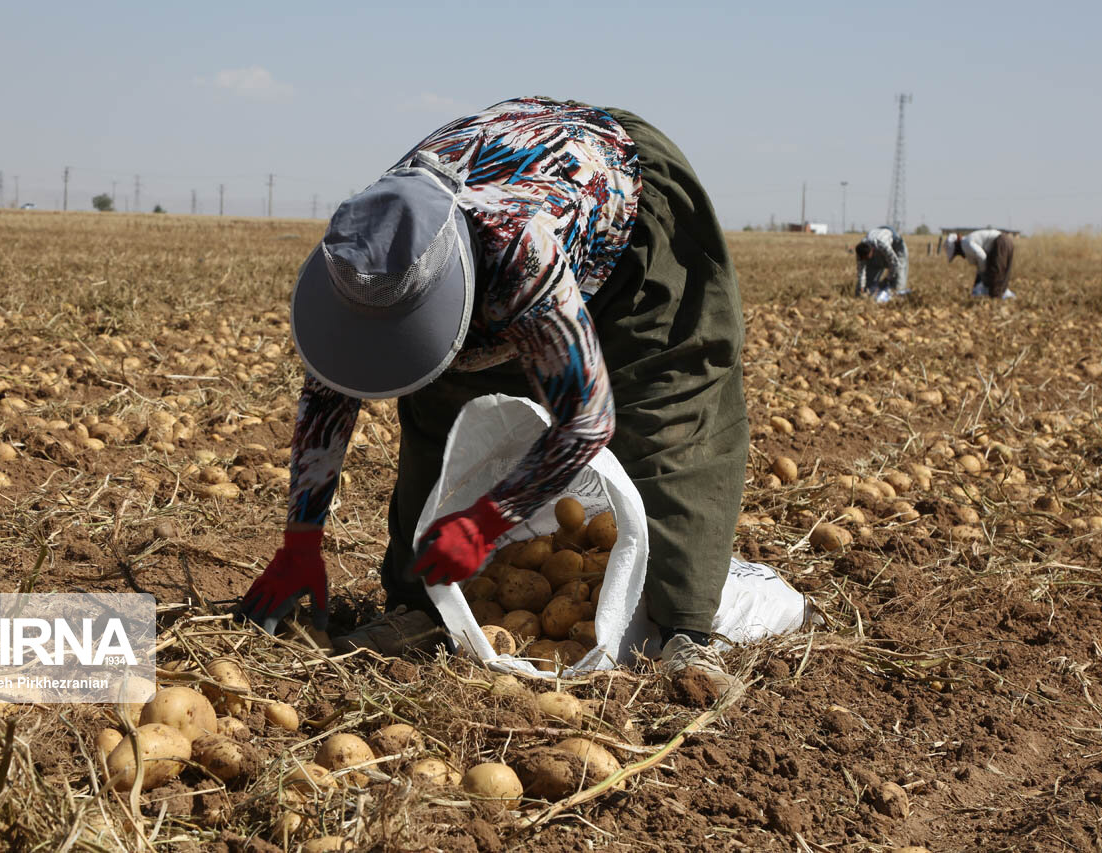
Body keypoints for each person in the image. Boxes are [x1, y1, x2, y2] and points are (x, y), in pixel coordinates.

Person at [236, 97, 752, 697]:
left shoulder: (517, 247)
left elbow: (587, 420)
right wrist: (301, 539)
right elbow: (329, 398)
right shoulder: (357, 260)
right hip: (502, 239)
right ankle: (424, 606)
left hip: (626, 214)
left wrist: (486, 522)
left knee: (667, 415)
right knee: (440, 407)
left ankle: (682, 630)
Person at [944, 229, 1015, 298]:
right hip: (1006, 240)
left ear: (957, 245)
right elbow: (980, 261)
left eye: (956, 253)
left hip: (1001, 242)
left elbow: (981, 256)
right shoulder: (968, 241)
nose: (961, 256)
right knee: (1003, 275)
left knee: (996, 275)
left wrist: (983, 273)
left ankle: (996, 299)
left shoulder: (965, 244)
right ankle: (1002, 295)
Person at [853, 226, 909, 302]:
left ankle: (896, 297)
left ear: (871, 251)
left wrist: (888, 278)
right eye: (863, 259)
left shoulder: (882, 244)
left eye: (867, 258)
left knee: (898, 284)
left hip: (896, 246)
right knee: (868, 285)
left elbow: (894, 263)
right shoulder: (861, 251)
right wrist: (861, 287)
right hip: (877, 248)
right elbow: (861, 271)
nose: (865, 260)